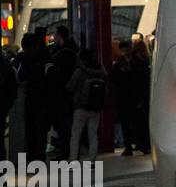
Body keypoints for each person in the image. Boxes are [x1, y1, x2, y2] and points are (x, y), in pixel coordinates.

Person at [67, 48, 108, 161]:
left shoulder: (79, 71)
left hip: (80, 107)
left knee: (75, 135)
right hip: (96, 108)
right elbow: (107, 78)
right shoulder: (100, 71)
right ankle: (92, 159)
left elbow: (70, 86)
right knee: (93, 134)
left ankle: (73, 159)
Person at [15, 33, 49, 162]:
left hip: (29, 99)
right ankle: (40, 156)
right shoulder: (45, 57)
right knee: (41, 131)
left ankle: (31, 157)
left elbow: (18, 76)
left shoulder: (22, 59)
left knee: (30, 131)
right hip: (44, 99)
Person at [45, 25, 79, 159]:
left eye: (55, 35)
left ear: (60, 35)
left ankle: (67, 152)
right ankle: (66, 151)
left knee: (65, 125)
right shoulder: (71, 49)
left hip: (63, 94)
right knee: (63, 125)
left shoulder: (65, 52)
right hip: (65, 94)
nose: (53, 37)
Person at [110, 39, 137, 155]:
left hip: (130, 95)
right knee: (127, 122)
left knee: (132, 121)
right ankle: (129, 146)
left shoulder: (134, 61)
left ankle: (136, 144)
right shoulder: (121, 63)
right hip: (126, 96)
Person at [127, 37, 152, 155]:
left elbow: (132, 78)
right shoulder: (147, 60)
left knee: (137, 121)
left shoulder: (133, 61)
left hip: (136, 95)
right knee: (145, 120)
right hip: (146, 94)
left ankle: (141, 143)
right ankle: (146, 144)